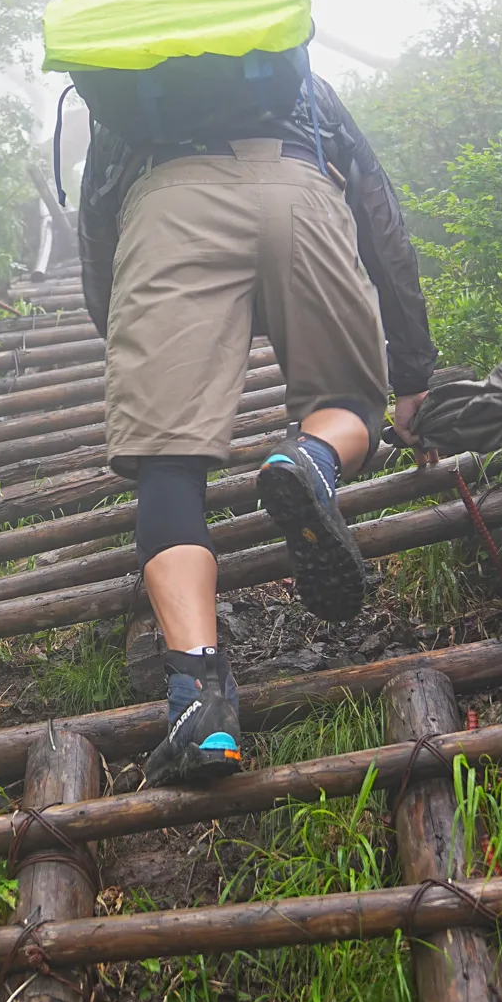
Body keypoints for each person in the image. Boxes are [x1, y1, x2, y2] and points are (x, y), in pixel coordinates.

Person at [75, 48, 437, 786]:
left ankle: (199, 703)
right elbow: (380, 216)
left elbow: (96, 228)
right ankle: (312, 459)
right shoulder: (300, 83)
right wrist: (414, 368)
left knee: (167, 461)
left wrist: (126, 337)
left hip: (168, 208)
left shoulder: (131, 91)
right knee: (350, 405)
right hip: (302, 189)